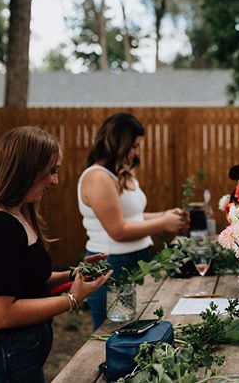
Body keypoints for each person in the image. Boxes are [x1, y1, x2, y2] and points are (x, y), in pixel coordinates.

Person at [0, 126, 110, 382]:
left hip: (16, 362)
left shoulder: (17, 216)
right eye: (51, 171)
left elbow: (25, 282)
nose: (55, 180)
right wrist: (71, 299)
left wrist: (75, 273)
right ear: (26, 169)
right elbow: (0, 314)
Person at [78, 113, 189, 329]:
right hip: (112, 265)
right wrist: (163, 224)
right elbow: (118, 230)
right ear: (118, 143)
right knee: (110, 333)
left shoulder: (123, 174)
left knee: (138, 330)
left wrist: (165, 214)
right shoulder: (97, 177)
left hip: (138, 259)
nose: (137, 152)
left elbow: (133, 217)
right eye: (134, 145)